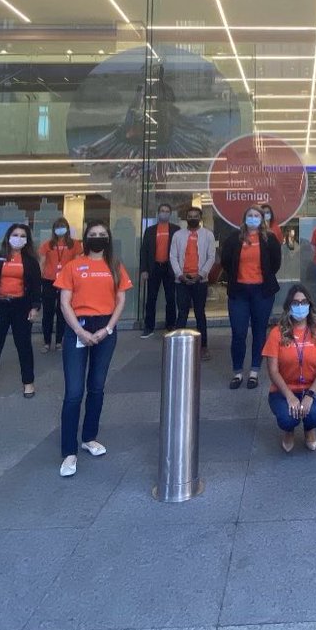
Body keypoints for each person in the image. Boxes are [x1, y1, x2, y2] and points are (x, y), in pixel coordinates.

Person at [55, 220, 133, 476]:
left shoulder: (114, 266)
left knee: (97, 387)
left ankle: (89, 437)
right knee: (74, 392)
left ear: (108, 239)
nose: (98, 238)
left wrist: (108, 328)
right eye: (93, 234)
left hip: (105, 329)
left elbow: (121, 299)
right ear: (85, 238)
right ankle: (69, 452)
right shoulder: (73, 266)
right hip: (78, 326)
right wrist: (79, 330)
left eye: (102, 235)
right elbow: (65, 301)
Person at [262, 285, 316, 452]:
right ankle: (289, 430)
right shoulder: (276, 333)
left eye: (304, 302)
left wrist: (310, 395)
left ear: (309, 305)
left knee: (315, 414)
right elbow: (273, 371)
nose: (300, 306)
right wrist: (289, 396)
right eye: (296, 303)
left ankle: (309, 428)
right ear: (289, 307)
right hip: (283, 390)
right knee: (287, 418)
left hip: (313, 388)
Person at [0, 223, 42, 402]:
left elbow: (36, 286)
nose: (18, 239)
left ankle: (28, 383)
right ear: (8, 237)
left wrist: (35, 307)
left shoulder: (30, 261)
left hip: (22, 307)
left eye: (22, 236)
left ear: (27, 240)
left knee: (24, 345)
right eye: (15, 235)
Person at [219, 205, 283, 389]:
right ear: (244, 218)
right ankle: (237, 372)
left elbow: (275, 264)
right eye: (250, 215)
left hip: (262, 292)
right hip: (239, 292)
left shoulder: (270, 239)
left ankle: (254, 371)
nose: (253, 218)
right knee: (238, 333)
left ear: (262, 219)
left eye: (257, 215)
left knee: (259, 332)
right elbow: (226, 261)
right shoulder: (233, 239)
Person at [169, 205, 216, 360]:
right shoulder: (178, 235)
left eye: (196, 215)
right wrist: (180, 275)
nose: (193, 218)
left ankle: (203, 347)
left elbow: (211, 257)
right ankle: (178, 345)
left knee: (200, 314)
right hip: (181, 279)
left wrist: (201, 275)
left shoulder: (208, 235)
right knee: (181, 313)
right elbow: (173, 257)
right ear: (186, 218)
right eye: (190, 216)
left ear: (200, 218)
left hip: (200, 280)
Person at [38, 216, 76, 353]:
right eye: (58, 227)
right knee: (47, 312)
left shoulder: (74, 245)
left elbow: (76, 263)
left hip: (66, 282)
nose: (60, 230)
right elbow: (42, 263)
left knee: (63, 312)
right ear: (54, 230)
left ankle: (59, 341)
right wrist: (39, 279)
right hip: (49, 281)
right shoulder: (47, 244)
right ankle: (47, 342)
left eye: (63, 227)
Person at [138, 203, 177, 337]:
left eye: (167, 211)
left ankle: (171, 325)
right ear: (158, 213)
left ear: (170, 214)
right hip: (154, 267)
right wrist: (144, 270)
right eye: (162, 211)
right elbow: (144, 251)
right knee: (151, 299)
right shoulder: (150, 230)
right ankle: (149, 327)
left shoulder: (176, 230)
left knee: (171, 298)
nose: (164, 213)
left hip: (170, 268)